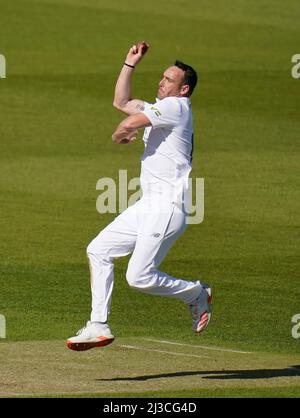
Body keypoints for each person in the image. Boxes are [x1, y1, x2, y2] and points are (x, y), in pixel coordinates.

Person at [66, 42, 212, 351]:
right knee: (99, 250)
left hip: (167, 207)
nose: (161, 82)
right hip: (147, 204)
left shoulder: (177, 107)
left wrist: (122, 132)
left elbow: (130, 122)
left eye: (169, 80)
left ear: (183, 89)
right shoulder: (162, 109)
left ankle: (195, 293)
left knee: (139, 277)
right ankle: (98, 325)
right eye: (161, 77)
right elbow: (122, 102)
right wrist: (129, 64)